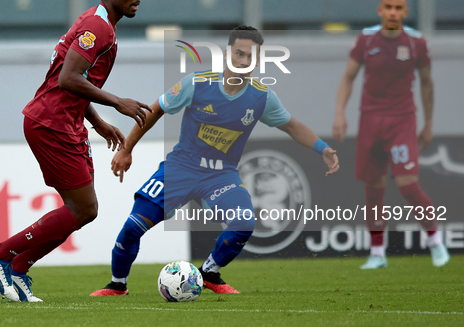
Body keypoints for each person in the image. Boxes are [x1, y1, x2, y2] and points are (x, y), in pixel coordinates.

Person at [90, 26, 339, 296]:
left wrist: (322, 147)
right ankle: (117, 285)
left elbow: (292, 126)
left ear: (257, 61)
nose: (244, 61)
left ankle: (209, 271)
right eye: (239, 54)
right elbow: (156, 109)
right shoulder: (196, 84)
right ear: (227, 54)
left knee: (244, 223)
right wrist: (127, 148)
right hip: (180, 169)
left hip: (221, 176)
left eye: (250, 56)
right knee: (133, 227)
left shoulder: (262, 97)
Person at [0, 0, 151, 302]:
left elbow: (76, 81)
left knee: (84, 211)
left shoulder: (100, 25)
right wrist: (117, 102)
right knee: (82, 209)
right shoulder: (97, 26)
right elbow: (67, 78)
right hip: (51, 122)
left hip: (65, 122)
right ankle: (0, 255)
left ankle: (19, 268)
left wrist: (97, 121)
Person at [332, 0, 450, 269]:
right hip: (370, 120)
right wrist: (339, 112)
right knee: (373, 190)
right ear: (380, 10)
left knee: (409, 185)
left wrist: (429, 123)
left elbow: (427, 83)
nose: (393, 12)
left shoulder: (416, 43)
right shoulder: (366, 39)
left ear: (405, 12)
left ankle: (435, 243)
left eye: (398, 8)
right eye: (388, 7)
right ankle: (377, 252)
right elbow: (348, 77)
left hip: (402, 120)